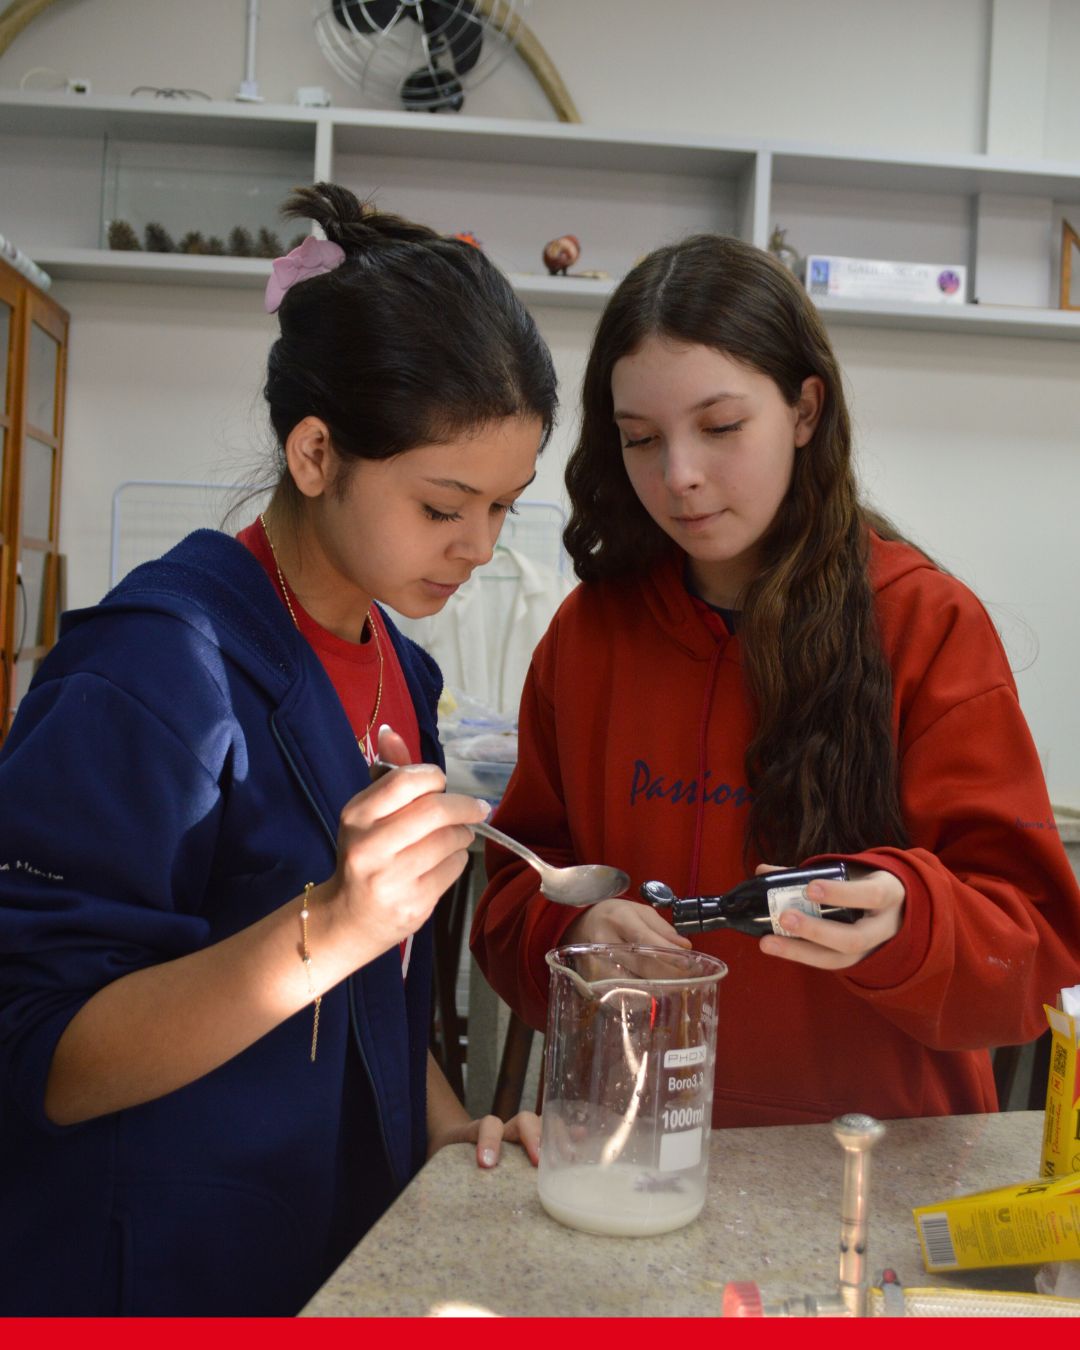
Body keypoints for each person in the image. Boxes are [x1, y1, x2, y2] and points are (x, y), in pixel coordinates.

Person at [0, 182, 556, 1316]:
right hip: (151, 1274)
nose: (479, 547)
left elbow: (378, 1001)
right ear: (314, 454)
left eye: (505, 506)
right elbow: (40, 1057)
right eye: (445, 504)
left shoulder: (403, 669)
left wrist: (456, 1136)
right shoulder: (152, 674)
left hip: (329, 1258)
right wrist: (330, 924)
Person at [470, 232, 1080, 1130]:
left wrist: (911, 922)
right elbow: (513, 897)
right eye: (642, 440)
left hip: (873, 1170)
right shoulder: (588, 638)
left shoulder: (925, 626)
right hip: (634, 1158)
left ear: (804, 409)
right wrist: (575, 934)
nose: (680, 476)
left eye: (720, 429)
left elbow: (1036, 956)